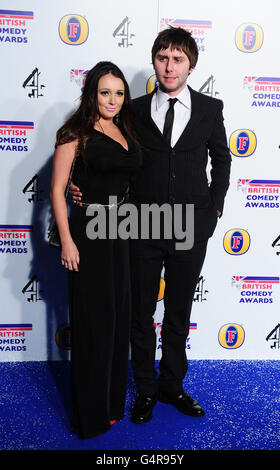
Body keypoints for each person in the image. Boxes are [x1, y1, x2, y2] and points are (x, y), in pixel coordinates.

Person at [71, 27, 231, 425]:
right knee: (141, 313)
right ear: (154, 61)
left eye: (178, 59)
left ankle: (172, 385)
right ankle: (145, 388)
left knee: (178, 311)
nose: (169, 66)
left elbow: (222, 162)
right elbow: (103, 147)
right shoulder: (133, 110)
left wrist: (213, 211)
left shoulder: (211, 108)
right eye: (163, 58)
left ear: (191, 64)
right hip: (141, 225)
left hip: (191, 227)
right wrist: (80, 184)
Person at [50, 61, 141, 439]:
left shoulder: (124, 129)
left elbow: (124, 179)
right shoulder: (76, 132)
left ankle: (110, 406)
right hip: (87, 234)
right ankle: (90, 416)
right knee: (92, 325)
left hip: (120, 232)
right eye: (105, 92)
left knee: (117, 321)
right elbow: (57, 190)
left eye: (119, 93)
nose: (113, 99)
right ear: (92, 93)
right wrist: (68, 239)